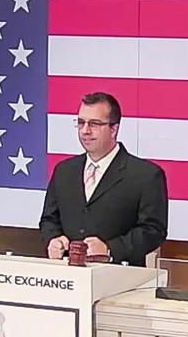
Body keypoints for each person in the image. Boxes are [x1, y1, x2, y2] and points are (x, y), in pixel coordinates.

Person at [39, 92, 168, 266]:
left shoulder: (145, 175)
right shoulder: (64, 171)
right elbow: (49, 219)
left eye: (94, 124)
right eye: (81, 123)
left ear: (114, 129)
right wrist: (54, 239)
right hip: (68, 277)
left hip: (120, 279)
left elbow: (153, 231)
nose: (85, 131)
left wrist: (109, 249)